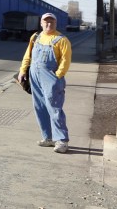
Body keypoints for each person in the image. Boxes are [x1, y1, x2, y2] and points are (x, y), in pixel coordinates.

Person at [17, 12, 73, 153]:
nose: (48, 24)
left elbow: (65, 61)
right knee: (40, 106)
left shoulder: (61, 40)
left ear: (55, 23)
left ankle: (62, 141)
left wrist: (57, 76)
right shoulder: (35, 37)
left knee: (54, 108)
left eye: (51, 22)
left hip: (51, 78)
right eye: (46, 21)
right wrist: (23, 70)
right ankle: (48, 137)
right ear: (41, 23)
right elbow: (28, 55)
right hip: (34, 75)